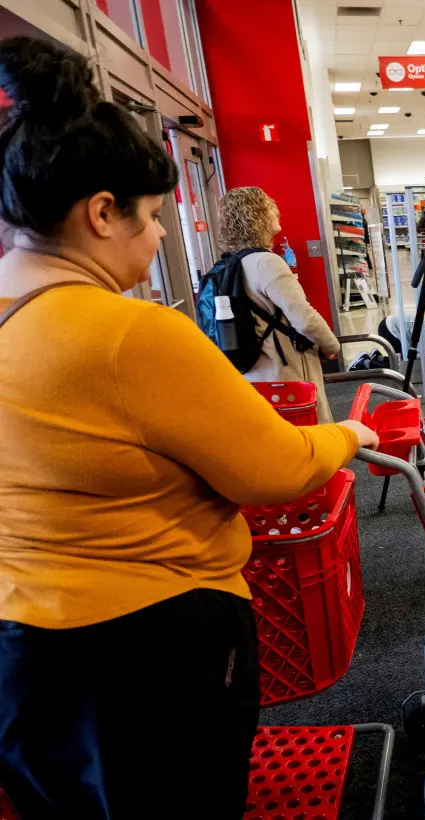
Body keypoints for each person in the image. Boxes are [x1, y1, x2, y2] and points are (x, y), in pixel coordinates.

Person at [0, 37, 379, 819]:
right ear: (101, 212)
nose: (167, 235)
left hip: (24, 646)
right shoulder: (127, 334)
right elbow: (271, 469)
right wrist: (350, 437)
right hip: (149, 648)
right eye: (154, 215)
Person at [220, 186, 342, 423]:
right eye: (269, 207)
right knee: (311, 436)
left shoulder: (232, 264)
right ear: (255, 216)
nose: (277, 211)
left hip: (257, 369)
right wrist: (331, 345)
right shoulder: (266, 262)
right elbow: (304, 318)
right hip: (287, 369)